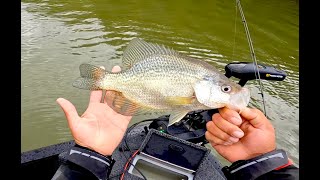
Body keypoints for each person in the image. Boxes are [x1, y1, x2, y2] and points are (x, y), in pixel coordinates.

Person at [52, 66, 299, 180]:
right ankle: (105, 80)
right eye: (225, 89)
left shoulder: (195, 98)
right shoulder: (192, 97)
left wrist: (88, 156)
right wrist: (262, 163)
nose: (228, 93)